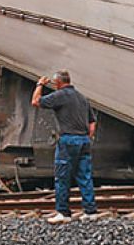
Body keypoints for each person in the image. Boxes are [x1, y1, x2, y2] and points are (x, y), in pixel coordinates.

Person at [31, 70, 98, 224]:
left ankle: (63, 212)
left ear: (59, 83)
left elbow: (35, 101)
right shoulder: (82, 98)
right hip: (84, 140)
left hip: (68, 139)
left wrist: (40, 84)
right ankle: (90, 211)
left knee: (62, 177)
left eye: (55, 83)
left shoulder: (60, 95)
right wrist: (88, 136)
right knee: (85, 176)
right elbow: (92, 122)